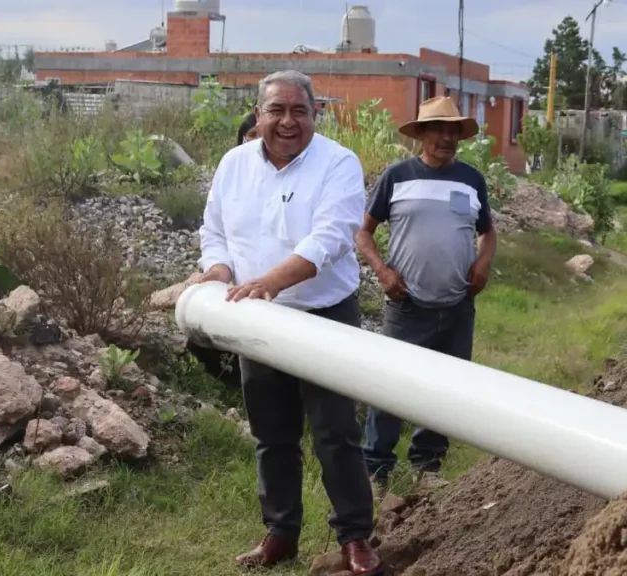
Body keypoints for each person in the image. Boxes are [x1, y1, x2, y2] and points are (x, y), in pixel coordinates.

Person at [197, 70, 382, 575]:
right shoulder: (234, 165)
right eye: (276, 110)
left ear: (315, 116)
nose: (287, 121)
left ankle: (355, 538)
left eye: (299, 110)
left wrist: (272, 280)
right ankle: (281, 534)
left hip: (324, 315)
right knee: (272, 433)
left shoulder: (338, 163)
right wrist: (218, 268)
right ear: (258, 116)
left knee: (335, 432)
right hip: (257, 318)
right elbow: (214, 230)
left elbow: (331, 237)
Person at [356, 95, 497, 497]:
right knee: (389, 386)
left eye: (453, 131)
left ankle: (427, 464)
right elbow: (363, 233)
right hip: (406, 306)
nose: (446, 138)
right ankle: (377, 469)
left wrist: (483, 264)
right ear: (420, 134)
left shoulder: (471, 180)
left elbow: (488, 231)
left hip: (457, 306)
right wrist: (382, 271)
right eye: (437, 129)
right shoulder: (397, 176)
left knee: (446, 387)